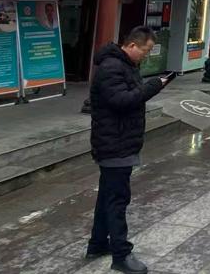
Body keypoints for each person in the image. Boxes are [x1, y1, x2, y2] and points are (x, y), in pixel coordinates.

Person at [87, 27, 169, 274]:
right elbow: (122, 101)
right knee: (117, 199)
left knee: (107, 196)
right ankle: (121, 255)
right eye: (145, 50)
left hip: (120, 140)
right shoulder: (112, 67)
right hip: (114, 143)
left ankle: (98, 243)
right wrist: (153, 86)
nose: (146, 55)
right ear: (132, 45)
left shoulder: (125, 65)